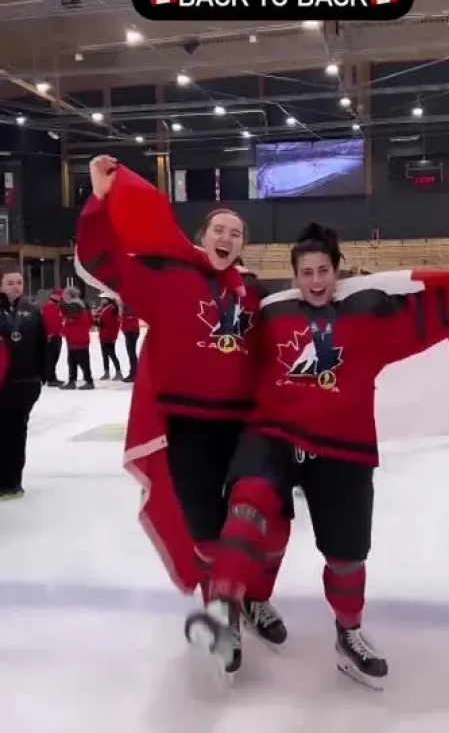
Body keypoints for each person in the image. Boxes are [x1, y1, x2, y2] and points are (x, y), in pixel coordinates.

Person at [184, 224, 449, 686]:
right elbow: (219, 339)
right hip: (273, 434)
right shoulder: (273, 317)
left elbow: (421, 316)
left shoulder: (367, 315)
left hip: (343, 446)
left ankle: (348, 635)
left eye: (323, 270)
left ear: (336, 273)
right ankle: (228, 610)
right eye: (307, 272)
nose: (316, 279)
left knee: (347, 555)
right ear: (295, 276)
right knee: (251, 507)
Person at [75, 157, 289, 673]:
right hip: (189, 428)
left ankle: (254, 597)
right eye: (219, 228)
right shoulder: (167, 278)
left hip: (246, 429)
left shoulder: (256, 295)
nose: (227, 236)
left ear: (242, 245)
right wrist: (101, 199)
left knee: (265, 519)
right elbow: (103, 260)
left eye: (236, 233)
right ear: (202, 236)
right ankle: (224, 613)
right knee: (206, 528)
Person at [0, 259, 47, 498]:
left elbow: (42, 346)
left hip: (24, 383)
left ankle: (12, 481)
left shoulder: (33, 310)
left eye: (19, 282)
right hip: (1, 381)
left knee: (17, 433)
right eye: (10, 283)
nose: (16, 287)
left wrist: (41, 375)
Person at [60, 287, 94, 390]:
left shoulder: (75, 306)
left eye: (65, 294)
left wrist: (66, 330)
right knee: (73, 360)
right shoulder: (80, 305)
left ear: (70, 295)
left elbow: (73, 320)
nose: (63, 296)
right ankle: (72, 380)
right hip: (76, 338)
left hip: (77, 338)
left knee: (82, 361)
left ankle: (88, 381)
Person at [95, 293, 123, 380]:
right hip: (104, 334)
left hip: (108, 335)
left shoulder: (110, 308)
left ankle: (118, 372)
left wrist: (96, 321)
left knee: (111, 354)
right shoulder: (105, 308)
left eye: (104, 298)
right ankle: (106, 372)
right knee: (105, 354)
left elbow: (106, 322)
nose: (101, 300)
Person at [42, 289, 63, 386]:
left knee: (53, 357)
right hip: (53, 336)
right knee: (51, 357)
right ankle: (50, 379)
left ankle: (51, 377)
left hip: (56, 334)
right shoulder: (50, 306)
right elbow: (51, 321)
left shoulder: (53, 306)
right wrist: (51, 334)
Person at [121, 304, 140, 382]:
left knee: (132, 354)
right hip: (129, 332)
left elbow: (129, 320)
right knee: (131, 354)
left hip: (131, 332)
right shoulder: (125, 307)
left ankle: (134, 373)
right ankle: (133, 373)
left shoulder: (129, 307)